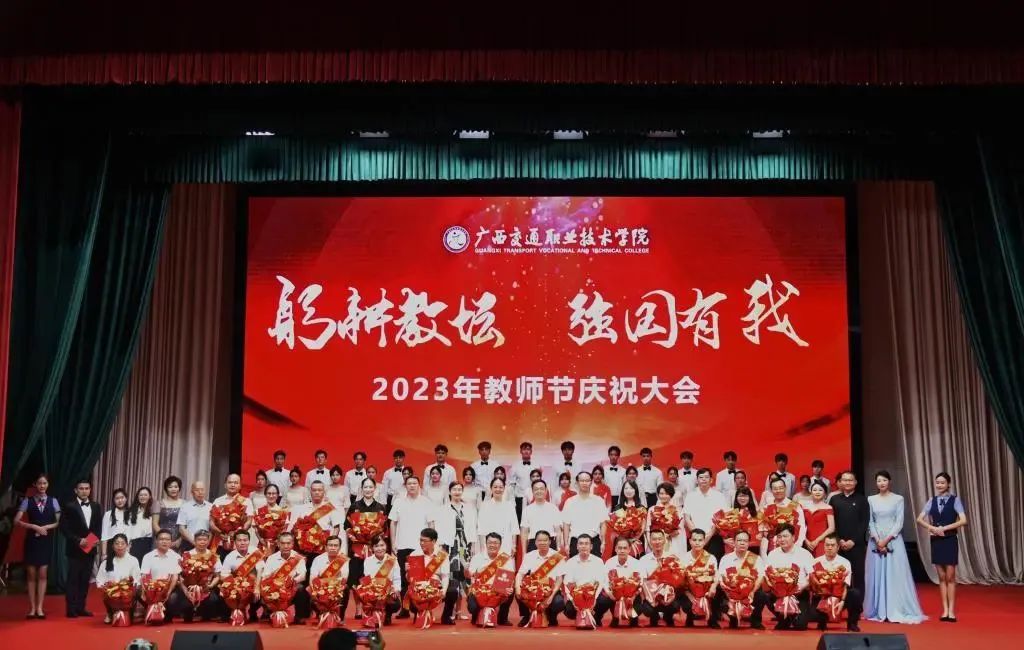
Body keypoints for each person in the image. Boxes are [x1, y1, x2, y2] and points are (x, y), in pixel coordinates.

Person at [864, 470, 925, 624]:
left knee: (895, 574)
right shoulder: (871, 499)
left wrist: (886, 540)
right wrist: (877, 539)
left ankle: (895, 608)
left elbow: (899, 522)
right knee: (876, 575)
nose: (882, 483)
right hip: (875, 541)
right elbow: (870, 521)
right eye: (879, 480)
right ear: (876, 483)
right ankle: (878, 609)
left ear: (889, 481)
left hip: (893, 540)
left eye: (884, 480)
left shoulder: (898, 499)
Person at [916, 471, 968, 622]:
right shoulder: (931, 500)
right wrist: (931, 528)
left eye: (942, 482)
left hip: (950, 540)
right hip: (936, 541)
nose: (939, 485)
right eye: (937, 482)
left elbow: (963, 520)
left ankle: (951, 611)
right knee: (941, 577)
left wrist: (944, 528)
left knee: (950, 576)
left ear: (948, 484)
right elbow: (919, 519)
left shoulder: (955, 500)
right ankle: (944, 610)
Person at [388, 475, 436, 618]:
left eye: (415, 483)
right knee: (404, 577)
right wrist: (393, 542)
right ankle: (405, 609)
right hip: (402, 544)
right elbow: (392, 523)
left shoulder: (426, 502)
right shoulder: (398, 502)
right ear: (405, 486)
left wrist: (432, 543)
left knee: (419, 578)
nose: (412, 486)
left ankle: (418, 607)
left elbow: (431, 523)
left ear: (419, 485)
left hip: (420, 546)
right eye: (409, 483)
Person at [14, 473, 61, 619]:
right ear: (35, 484)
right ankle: (32, 608)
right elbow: (16, 521)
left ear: (48, 485)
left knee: (42, 574)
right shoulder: (27, 501)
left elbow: (59, 522)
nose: (42, 486)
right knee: (31, 574)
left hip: (46, 540)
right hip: (32, 541)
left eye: (44, 483)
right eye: (39, 483)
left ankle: (40, 607)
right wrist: (33, 526)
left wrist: (46, 527)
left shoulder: (53, 501)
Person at [341, 477, 387, 621]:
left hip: (374, 550)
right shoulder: (355, 506)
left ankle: (371, 605)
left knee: (372, 578)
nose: (368, 490)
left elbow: (384, 529)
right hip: (357, 548)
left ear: (375, 489)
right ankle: (358, 607)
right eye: (365, 487)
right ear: (362, 489)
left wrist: (375, 537)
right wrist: (353, 536)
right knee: (356, 578)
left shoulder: (380, 507)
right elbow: (346, 526)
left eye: (370, 487)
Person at [61, 478, 103, 618]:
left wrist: (89, 542)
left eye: (87, 488)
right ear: (76, 490)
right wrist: (79, 541)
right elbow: (64, 528)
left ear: (90, 490)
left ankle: (81, 607)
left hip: (90, 548)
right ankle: (71, 609)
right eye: (81, 488)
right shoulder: (69, 506)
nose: (84, 491)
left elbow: (98, 527)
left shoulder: (96, 506)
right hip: (74, 549)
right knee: (73, 579)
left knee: (85, 580)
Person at [436, 481, 477, 620]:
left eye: (459, 489)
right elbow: (439, 528)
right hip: (450, 546)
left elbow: (472, 527)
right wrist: (441, 547)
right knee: (453, 578)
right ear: (449, 492)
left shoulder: (469, 508)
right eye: (454, 489)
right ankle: (452, 610)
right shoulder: (443, 509)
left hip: (464, 547)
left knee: (464, 578)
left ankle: (460, 611)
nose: (457, 492)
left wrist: (472, 545)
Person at [715, 530, 768, 630]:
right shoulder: (726, 559)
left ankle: (755, 621)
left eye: (745, 541)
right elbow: (721, 578)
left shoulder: (756, 558)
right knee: (716, 592)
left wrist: (752, 592)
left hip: (749, 593)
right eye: (739, 540)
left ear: (749, 543)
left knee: (762, 595)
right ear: (734, 542)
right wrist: (730, 594)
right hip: (730, 593)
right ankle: (732, 618)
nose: (742, 543)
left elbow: (760, 578)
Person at [764, 523, 813, 630]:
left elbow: (811, 575)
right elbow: (767, 574)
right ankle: (783, 619)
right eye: (779, 537)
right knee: (765, 595)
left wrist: (802, 587)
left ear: (793, 537)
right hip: (778, 594)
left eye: (785, 536)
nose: (782, 539)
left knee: (800, 626)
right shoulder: (772, 554)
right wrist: (773, 585)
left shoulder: (805, 554)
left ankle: (792, 618)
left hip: (799, 593)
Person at [809, 534, 862, 632]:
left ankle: (852, 624)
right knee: (812, 614)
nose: (829, 548)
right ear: (824, 546)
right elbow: (813, 586)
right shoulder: (816, 561)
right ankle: (822, 622)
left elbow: (846, 585)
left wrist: (842, 601)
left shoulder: (845, 562)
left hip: (839, 597)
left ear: (838, 547)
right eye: (827, 545)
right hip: (822, 597)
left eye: (832, 545)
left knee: (855, 594)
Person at [829, 470, 869, 593]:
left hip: (856, 545)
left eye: (850, 480)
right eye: (845, 480)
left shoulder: (862, 500)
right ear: (840, 482)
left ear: (855, 482)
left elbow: (864, 522)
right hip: (839, 545)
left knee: (858, 575)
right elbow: (832, 522)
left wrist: (853, 541)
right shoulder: (834, 499)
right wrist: (839, 540)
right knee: (838, 575)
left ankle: (857, 604)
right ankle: (839, 602)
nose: (847, 482)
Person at [405, 527, 456, 625]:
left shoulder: (441, 555)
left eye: (424, 541)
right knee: (409, 592)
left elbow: (445, 576)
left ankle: (446, 617)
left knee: (452, 591)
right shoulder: (414, 554)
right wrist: (407, 572)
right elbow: (409, 579)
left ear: (433, 541)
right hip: (419, 587)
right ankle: (418, 613)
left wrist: (444, 591)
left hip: (436, 586)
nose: (421, 543)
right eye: (420, 540)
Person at [515, 530, 565, 627]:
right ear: (535, 542)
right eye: (540, 540)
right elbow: (520, 574)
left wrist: (551, 596)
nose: (542, 543)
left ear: (549, 542)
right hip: (533, 589)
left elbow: (559, 579)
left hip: (550, 590)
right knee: (520, 591)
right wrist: (517, 587)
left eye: (545, 540)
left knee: (559, 602)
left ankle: (551, 617)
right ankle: (526, 616)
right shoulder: (529, 556)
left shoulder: (557, 557)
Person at [561, 533, 612, 627]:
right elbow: (567, 584)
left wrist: (594, 599)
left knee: (605, 601)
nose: (583, 546)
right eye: (581, 543)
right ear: (577, 546)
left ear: (591, 546)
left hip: (593, 595)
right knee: (569, 609)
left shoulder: (598, 561)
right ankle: (580, 617)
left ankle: (596, 617)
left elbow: (601, 582)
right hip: (576, 596)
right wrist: (573, 600)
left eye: (586, 543)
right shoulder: (570, 562)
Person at [467, 532, 515, 626]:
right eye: (490, 542)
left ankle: (502, 618)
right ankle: (476, 615)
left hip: (497, 590)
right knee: (472, 607)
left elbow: (510, 577)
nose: (492, 545)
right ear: (486, 543)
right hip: (480, 590)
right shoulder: (477, 558)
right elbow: (471, 575)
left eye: (495, 543)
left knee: (511, 590)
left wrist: (509, 587)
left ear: (500, 545)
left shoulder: (505, 559)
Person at [262, 532, 311, 623]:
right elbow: (265, 577)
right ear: (278, 544)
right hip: (275, 587)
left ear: (292, 544)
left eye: (288, 543)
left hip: (291, 586)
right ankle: (269, 612)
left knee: (301, 589)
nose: (286, 546)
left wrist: (290, 582)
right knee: (263, 588)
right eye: (283, 543)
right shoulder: (271, 558)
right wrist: (275, 583)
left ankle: (300, 616)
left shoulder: (298, 558)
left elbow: (303, 576)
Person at [140, 529, 187, 622]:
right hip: (152, 588)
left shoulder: (176, 557)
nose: (164, 541)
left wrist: (168, 592)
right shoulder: (148, 556)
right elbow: (144, 576)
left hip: (169, 588)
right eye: (161, 539)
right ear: (156, 541)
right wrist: (144, 591)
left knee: (173, 597)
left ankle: (167, 614)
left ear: (171, 541)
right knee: (139, 592)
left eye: (167, 539)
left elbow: (175, 577)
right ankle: (152, 610)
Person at [678, 528, 721, 628]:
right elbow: (681, 581)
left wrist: (713, 587)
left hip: (707, 591)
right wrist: (689, 595)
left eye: (700, 540)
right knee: (681, 596)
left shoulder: (711, 557)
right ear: (690, 541)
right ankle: (690, 617)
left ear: (704, 541)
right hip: (690, 591)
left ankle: (712, 619)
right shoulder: (684, 558)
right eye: (694, 540)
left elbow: (716, 575)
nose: (697, 543)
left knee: (718, 591)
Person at [637, 529, 681, 627]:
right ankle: (654, 617)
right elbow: (643, 582)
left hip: (668, 594)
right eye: (654, 539)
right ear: (650, 541)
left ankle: (668, 617)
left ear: (664, 540)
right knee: (647, 609)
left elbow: (678, 579)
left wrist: (671, 595)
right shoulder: (644, 560)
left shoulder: (672, 557)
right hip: (651, 596)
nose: (657, 542)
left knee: (675, 605)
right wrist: (650, 598)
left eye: (659, 539)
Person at [96, 533, 142, 624]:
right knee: (106, 592)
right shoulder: (106, 562)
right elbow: (99, 580)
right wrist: (107, 587)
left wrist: (126, 588)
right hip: (112, 593)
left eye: (122, 543)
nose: (120, 546)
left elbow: (137, 579)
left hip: (128, 593)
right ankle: (110, 612)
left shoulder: (133, 560)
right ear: (113, 546)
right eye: (117, 543)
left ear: (127, 545)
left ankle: (130, 611)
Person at [179, 530, 223, 622]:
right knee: (186, 608)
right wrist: (186, 591)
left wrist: (210, 586)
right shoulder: (187, 555)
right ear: (195, 541)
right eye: (199, 540)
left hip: (206, 588)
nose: (202, 542)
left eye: (205, 540)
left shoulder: (213, 556)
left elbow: (217, 575)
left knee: (213, 600)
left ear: (208, 541)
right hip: (189, 588)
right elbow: (180, 576)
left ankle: (204, 614)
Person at [684, 468, 729, 559]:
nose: (704, 479)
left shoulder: (719, 496)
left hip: (714, 537)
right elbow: (687, 518)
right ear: (697, 480)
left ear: (711, 480)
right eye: (701, 477)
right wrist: (697, 535)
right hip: (695, 539)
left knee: (714, 564)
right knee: (693, 564)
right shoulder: (690, 496)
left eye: (706, 477)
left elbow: (722, 518)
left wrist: (709, 535)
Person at [562, 472, 609, 557]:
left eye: (587, 481)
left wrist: (603, 542)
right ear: (577, 483)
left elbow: (603, 523)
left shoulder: (599, 501)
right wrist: (566, 544)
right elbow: (566, 524)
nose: (584, 483)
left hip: (594, 542)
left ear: (591, 482)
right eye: (582, 480)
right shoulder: (570, 502)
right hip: (576, 542)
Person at [212, 473, 255, 559]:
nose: (232, 485)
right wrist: (220, 533)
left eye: (236, 483)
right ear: (225, 485)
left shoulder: (246, 501)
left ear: (240, 486)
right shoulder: (218, 501)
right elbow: (211, 522)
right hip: (220, 543)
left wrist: (237, 534)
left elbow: (249, 521)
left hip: (239, 545)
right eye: (230, 482)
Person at [361, 535, 402, 626]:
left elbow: (397, 578)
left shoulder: (392, 560)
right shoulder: (368, 561)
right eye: (376, 546)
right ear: (372, 548)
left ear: (386, 546)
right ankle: (373, 615)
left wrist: (396, 590)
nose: (380, 549)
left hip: (388, 592)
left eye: (382, 545)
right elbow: (368, 579)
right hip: (374, 592)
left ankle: (387, 614)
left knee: (395, 604)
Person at [309, 536, 351, 621]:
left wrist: (330, 585)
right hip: (320, 588)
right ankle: (320, 612)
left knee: (346, 588)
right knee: (309, 589)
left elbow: (344, 579)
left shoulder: (343, 559)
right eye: (330, 545)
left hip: (336, 588)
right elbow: (312, 579)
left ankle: (340, 616)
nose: (333, 548)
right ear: (326, 547)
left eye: (336, 545)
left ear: (339, 547)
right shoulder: (318, 559)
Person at [604, 536, 643, 627]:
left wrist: (634, 595)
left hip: (632, 596)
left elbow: (640, 583)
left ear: (629, 549)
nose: (622, 551)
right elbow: (604, 581)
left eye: (625, 548)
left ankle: (633, 617)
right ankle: (615, 617)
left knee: (640, 603)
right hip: (615, 596)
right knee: (605, 600)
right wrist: (609, 593)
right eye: (620, 548)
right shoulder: (609, 562)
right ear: (615, 549)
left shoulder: (636, 563)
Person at [762, 476, 807, 553]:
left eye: (781, 488)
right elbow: (763, 529)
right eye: (775, 489)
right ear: (771, 490)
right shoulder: (766, 507)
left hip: (791, 547)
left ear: (785, 488)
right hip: (771, 548)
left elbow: (802, 527)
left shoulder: (795, 506)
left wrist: (798, 545)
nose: (778, 491)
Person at [477, 477, 518, 556]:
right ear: (491, 488)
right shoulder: (485, 505)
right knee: (489, 563)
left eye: (500, 487)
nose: (498, 489)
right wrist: (482, 546)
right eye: (495, 487)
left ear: (504, 488)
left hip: (506, 543)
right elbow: (481, 528)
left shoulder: (509, 505)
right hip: (489, 544)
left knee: (505, 564)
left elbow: (514, 527)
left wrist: (513, 545)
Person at [521, 479, 563, 555]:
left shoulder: (553, 508)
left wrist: (558, 547)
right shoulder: (527, 510)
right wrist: (524, 552)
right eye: (536, 489)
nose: (539, 491)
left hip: (550, 543)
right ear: (532, 491)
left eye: (541, 489)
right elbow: (524, 533)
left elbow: (558, 531)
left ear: (546, 491)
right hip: (533, 544)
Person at [647, 482, 686, 558]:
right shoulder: (652, 509)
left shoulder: (677, 510)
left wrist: (669, 534)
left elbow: (680, 530)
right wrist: (651, 545)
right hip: (656, 542)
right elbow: (647, 529)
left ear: (671, 495)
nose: (664, 496)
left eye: (666, 494)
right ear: (658, 495)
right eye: (661, 493)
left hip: (672, 542)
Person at [724, 487, 762, 554]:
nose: (743, 498)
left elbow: (764, 528)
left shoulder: (757, 512)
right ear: (736, 498)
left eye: (745, 496)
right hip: (737, 546)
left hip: (754, 545)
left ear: (750, 498)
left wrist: (761, 534)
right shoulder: (731, 513)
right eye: (740, 496)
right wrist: (725, 540)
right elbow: (725, 531)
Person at [177, 481, 213, 552]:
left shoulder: (211, 507)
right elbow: (181, 528)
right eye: (197, 490)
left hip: (206, 544)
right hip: (189, 543)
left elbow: (212, 529)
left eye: (202, 489)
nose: (200, 492)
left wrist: (206, 543)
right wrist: (194, 542)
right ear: (192, 492)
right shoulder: (185, 507)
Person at [803, 480, 835, 556]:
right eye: (814, 490)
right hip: (806, 542)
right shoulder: (804, 507)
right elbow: (801, 525)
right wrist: (806, 540)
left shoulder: (828, 507)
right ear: (811, 492)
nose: (817, 492)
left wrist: (816, 541)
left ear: (825, 493)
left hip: (821, 541)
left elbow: (831, 528)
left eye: (820, 490)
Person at [152, 475, 185, 550]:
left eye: (176, 487)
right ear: (166, 489)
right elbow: (155, 524)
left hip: (179, 541)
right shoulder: (158, 503)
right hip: (162, 540)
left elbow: (187, 526)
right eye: (170, 487)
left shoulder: (185, 504)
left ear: (179, 488)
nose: (173, 489)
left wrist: (179, 541)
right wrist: (165, 538)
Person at [126, 487, 155, 565]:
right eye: (141, 495)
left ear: (150, 497)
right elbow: (128, 529)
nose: (143, 497)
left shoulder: (153, 511)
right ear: (137, 497)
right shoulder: (131, 512)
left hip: (149, 543)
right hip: (135, 543)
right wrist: (127, 545)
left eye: (145, 495)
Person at [101, 489, 130, 562]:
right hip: (112, 547)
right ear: (114, 500)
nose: (120, 500)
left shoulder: (131, 514)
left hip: (127, 547)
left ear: (126, 498)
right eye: (117, 498)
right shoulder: (108, 514)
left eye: (122, 497)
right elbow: (104, 535)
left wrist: (128, 547)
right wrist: (104, 554)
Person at [509, 441, 535, 521]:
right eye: (524, 449)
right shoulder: (515, 466)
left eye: (528, 449)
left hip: (533, 497)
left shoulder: (537, 465)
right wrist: (512, 500)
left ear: (531, 451)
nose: (526, 451)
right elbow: (511, 484)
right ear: (520, 451)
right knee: (520, 520)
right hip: (519, 498)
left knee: (532, 519)